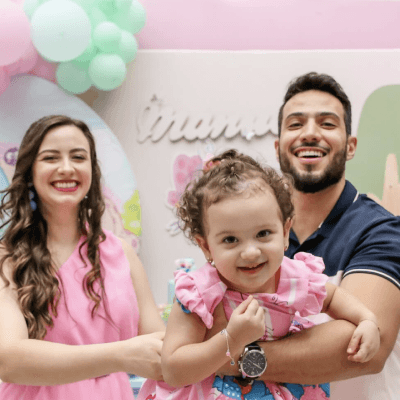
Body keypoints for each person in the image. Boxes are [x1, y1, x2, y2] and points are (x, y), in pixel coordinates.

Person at [211, 72, 400, 399]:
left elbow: (361, 349)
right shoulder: (255, 237)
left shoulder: (380, 230)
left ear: (350, 146)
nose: (310, 133)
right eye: (296, 124)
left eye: (327, 124)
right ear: (278, 146)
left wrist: (220, 357)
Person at [138, 149, 380, 400]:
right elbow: (173, 369)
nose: (251, 252)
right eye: (230, 239)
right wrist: (231, 339)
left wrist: (366, 320)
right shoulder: (200, 292)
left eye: (263, 234)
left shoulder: (292, 277)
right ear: (206, 246)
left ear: (285, 232)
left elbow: (332, 298)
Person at [0, 115, 166, 399]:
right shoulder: (8, 258)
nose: (67, 168)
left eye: (78, 157)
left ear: (92, 169)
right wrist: (120, 355)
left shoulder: (121, 254)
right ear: (30, 171)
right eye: (51, 158)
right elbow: (9, 360)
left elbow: (162, 349)